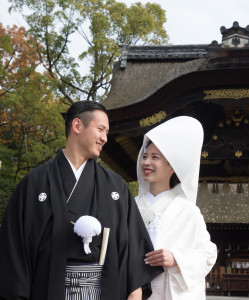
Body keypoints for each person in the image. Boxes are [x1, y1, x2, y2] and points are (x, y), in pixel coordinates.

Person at [0, 101, 163, 300]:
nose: (105, 138)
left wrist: (136, 288)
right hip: (47, 289)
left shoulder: (115, 186)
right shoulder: (34, 184)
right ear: (77, 126)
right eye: (101, 129)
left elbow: (133, 242)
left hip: (103, 291)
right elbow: (14, 250)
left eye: (106, 132)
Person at [135, 116, 217, 300]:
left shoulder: (188, 210)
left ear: (171, 166)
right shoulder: (131, 205)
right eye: (145, 156)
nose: (146, 162)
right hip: (137, 292)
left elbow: (208, 254)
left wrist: (176, 259)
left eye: (155, 157)